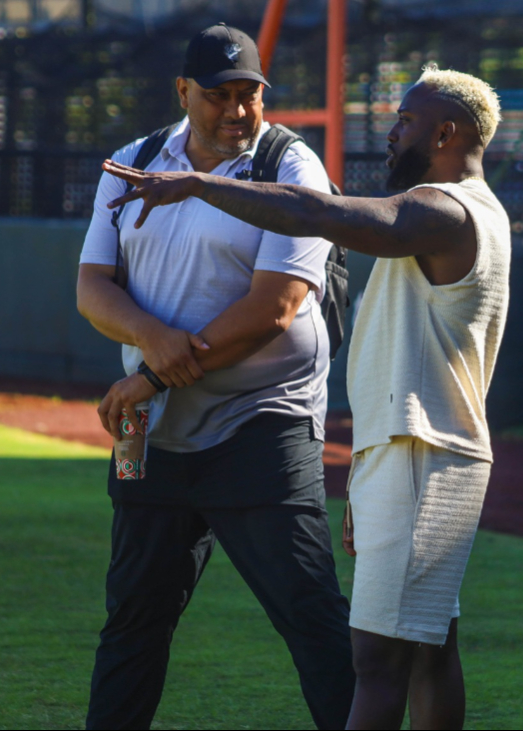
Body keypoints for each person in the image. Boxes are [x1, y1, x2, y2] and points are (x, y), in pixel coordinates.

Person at [101, 65, 509, 730]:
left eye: (404, 121)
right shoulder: (465, 211)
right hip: (409, 453)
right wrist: (367, 478)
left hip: (422, 453)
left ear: (445, 131)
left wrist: (202, 184)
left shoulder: (447, 209)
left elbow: (321, 213)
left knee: (374, 665)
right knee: (430, 650)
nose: (390, 133)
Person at [76, 24, 355, 730]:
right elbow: (92, 286)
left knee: (310, 615)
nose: (236, 110)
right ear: (183, 92)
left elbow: (276, 307)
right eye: (218, 95)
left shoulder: (291, 168)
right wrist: (151, 339)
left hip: (261, 422)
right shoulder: (135, 161)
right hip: (157, 434)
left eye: (248, 94)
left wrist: (152, 376)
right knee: (133, 618)